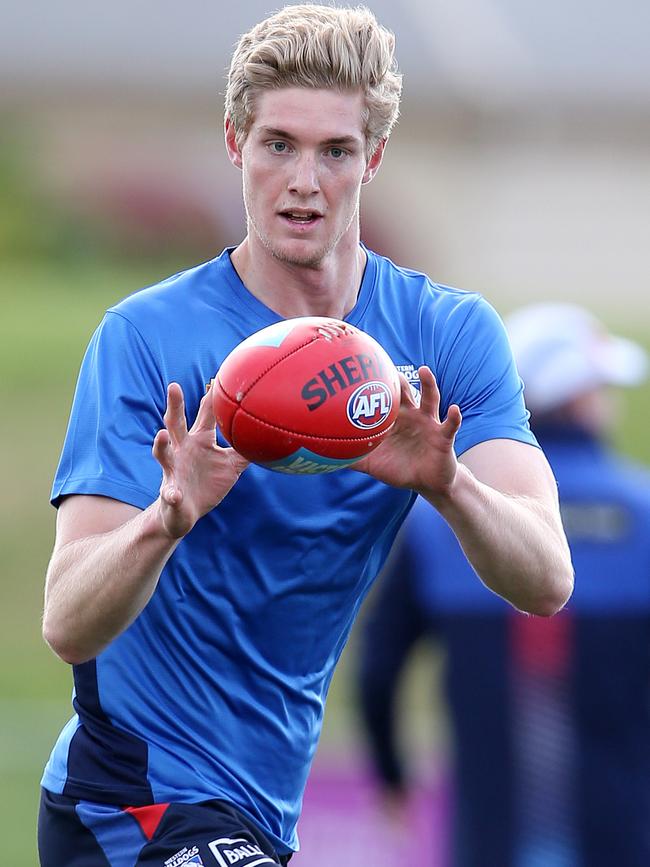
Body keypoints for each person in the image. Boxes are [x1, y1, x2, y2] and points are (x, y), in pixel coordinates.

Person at [38, 7, 573, 866]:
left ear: (375, 158)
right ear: (235, 142)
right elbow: (67, 622)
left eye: (335, 152)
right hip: (132, 798)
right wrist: (165, 519)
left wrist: (449, 484)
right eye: (278, 144)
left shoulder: (445, 337)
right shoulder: (148, 340)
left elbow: (547, 577)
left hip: (260, 811)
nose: (304, 182)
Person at [357, 302, 649, 867]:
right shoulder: (643, 517)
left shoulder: (439, 524)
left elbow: (379, 669)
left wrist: (393, 775)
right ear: (579, 398)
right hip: (625, 836)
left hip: (488, 841)